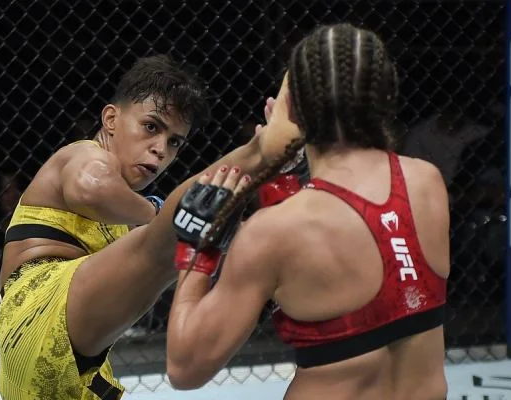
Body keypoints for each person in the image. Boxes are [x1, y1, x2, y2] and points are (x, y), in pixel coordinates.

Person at [165, 23, 450, 399]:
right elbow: (360, 241)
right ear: (385, 94)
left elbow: (185, 368)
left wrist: (198, 249)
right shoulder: (426, 183)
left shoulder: (274, 232)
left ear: (294, 109)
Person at [0, 54, 297, 400]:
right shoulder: (86, 155)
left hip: (69, 372)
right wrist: (159, 214)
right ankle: (263, 148)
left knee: (191, 238)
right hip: (35, 314)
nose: (160, 149)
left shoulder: (125, 214)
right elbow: (90, 186)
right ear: (111, 119)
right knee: (176, 231)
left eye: (175, 141)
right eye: (151, 127)